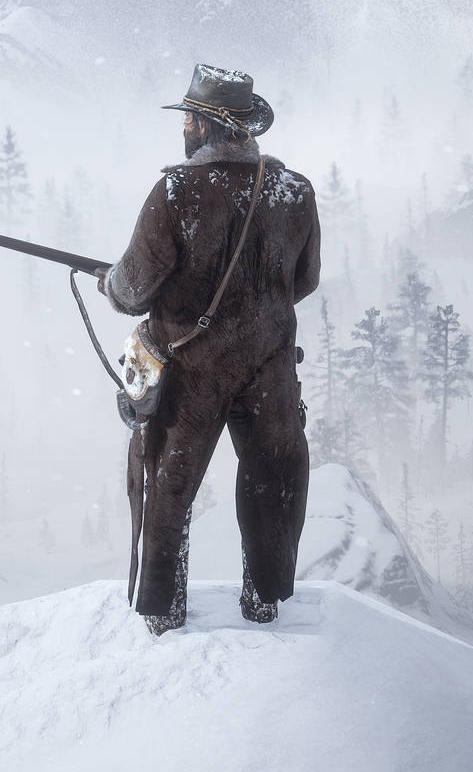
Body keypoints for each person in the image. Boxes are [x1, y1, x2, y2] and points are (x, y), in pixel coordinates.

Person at [98, 64, 320, 635]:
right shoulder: (295, 191)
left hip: (187, 370)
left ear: (206, 126)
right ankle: (264, 601)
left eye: (190, 118)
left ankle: (164, 612)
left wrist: (110, 282)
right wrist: (254, 309)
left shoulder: (175, 190)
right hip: (270, 366)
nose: (185, 128)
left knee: (168, 486)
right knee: (272, 478)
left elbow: (133, 289)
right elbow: (305, 281)